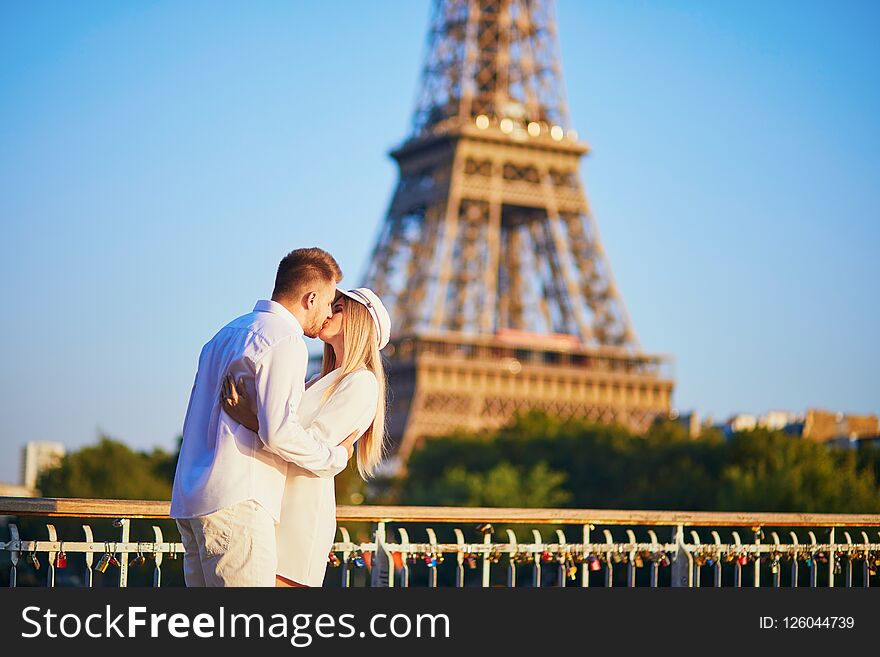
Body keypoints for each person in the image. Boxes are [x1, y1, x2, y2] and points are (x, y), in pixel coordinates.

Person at [170, 247, 359, 587]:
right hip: (239, 500)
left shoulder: (224, 334)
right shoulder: (284, 340)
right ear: (311, 298)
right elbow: (279, 432)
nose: (329, 312)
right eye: (330, 302)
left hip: (191, 500)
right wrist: (335, 457)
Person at [221, 286, 390, 587]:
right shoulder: (319, 381)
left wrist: (252, 418)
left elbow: (308, 447)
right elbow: (291, 437)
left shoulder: (361, 382)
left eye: (338, 308)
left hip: (299, 518)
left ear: (359, 322)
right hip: (276, 507)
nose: (327, 312)